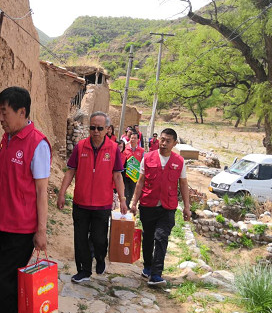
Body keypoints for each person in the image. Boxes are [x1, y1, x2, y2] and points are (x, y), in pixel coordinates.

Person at [0, 86, 51, 313]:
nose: (0, 118)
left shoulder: (37, 144)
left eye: (5, 112)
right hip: (2, 223)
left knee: (5, 280)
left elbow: (41, 191)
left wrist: (41, 231)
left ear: (22, 112)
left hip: (21, 228)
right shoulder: (8, 138)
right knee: (5, 278)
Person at [58, 112, 128, 283]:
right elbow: (70, 171)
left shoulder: (113, 149)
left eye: (99, 128)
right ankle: (84, 270)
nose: (95, 131)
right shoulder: (80, 146)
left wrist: (123, 199)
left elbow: (118, 176)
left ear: (107, 129)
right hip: (80, 203)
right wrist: (62, 193)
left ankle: (100, 257)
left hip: (102, 205)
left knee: (99, 239)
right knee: (80, 239)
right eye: (92, 127)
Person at [130, 128, 190, 287]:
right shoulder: (148, 157)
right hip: (148, 205)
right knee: (148, 237)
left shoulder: (179, 161)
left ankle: (156, 274)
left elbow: (183, 184)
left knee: (161, 237)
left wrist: (187, 207)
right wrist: (133, 203)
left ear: (174, 143)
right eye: (162, 140)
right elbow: (140, 182)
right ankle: (148, 266)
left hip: (167, 207)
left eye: (168, 141)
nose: (164, 143)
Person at [122, 132, 144, 208]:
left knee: (132, 190)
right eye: (131, 138)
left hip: (135, 175)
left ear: (138, 140)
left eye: (135, 138)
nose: (133, 140)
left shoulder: (141, 151)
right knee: (125, 190)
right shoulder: (125, 149)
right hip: (125, 174)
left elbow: (143, 162)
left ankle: (127, 204)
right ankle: (125, 204)